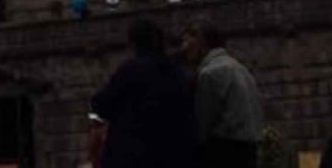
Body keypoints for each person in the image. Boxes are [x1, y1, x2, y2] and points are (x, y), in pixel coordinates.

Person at [91, 20, 197, 168]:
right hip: (172, 154)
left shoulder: (130, 70)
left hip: (134, 155)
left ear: (133, 44)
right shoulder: (177, 71)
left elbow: (101, 104)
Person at [180, 20, 262, 168]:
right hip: (250, 149)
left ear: (201, 41)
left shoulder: (209, 73)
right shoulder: (240, 68)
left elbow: (203, 123)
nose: (184, 49)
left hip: (224, 151)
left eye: (187, 42)